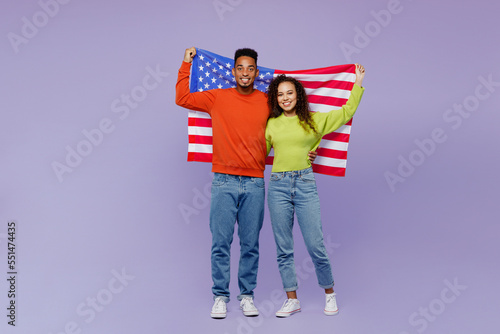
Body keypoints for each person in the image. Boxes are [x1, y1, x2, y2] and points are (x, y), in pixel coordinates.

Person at [175, 47, 317, 319]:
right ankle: (219, 296)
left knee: (250, 244)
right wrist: (185, 64)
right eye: (240, 68)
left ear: (256, 72)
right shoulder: (217, 97)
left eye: (250, 68)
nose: (245, 73)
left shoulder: (266, 102)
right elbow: (182, 97)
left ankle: (247, 296)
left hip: (254, 183)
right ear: (233, 71)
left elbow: (291, 126)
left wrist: (309, 149)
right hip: (223, 181)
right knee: (221, 242)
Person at [265, 64, 365, 317]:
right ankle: (291, 299)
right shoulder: (271, 125)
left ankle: (329, 294)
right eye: (280, 94)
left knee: (315, 244)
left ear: (298, 95)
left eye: (289, 93)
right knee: (283, 246)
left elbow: (346, 112)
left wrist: (358, 83)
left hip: (304, 184)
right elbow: (259, 154)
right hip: (277, 186)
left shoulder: (314, 120)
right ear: (275, 99)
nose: (285, 98)